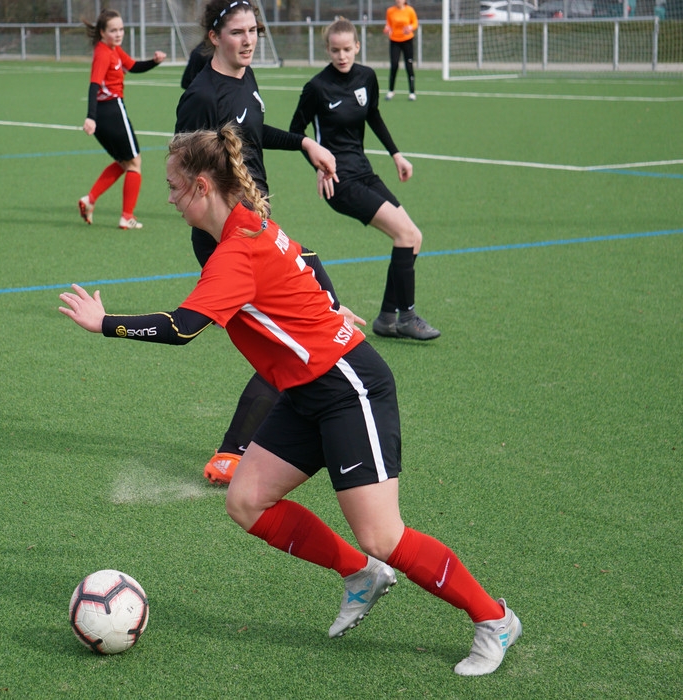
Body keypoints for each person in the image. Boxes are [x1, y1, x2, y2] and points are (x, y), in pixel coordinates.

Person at [58, 125, 522, 677]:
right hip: (305, 392)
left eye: (174, 187)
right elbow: (307, 255)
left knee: (382, 535)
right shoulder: (244, 223)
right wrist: (327, 303)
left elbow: (182, 328)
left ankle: (494, 619)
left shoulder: (235, 251)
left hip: (348, 387)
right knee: (246, 502)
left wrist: (105, 323)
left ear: (202, 186)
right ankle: (361, 574)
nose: (170, 198)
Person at [176, 0, 338, 485]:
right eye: (237, 32)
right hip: (231, 237)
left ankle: (248, 444)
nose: (248, 41)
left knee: (298, 329)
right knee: (287, 337)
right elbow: (186, 167)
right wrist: (226, 229)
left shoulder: (245, 77)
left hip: (256, 223)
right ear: (214, 37)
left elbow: (250, 132)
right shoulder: (201, 95)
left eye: (253, 31)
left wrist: (305, 143)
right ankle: (234, 452)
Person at [290, 17, 439, 340]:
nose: (341, 56)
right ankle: (407, 316)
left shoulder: (367, 77)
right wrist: (319, 166)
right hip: (339, 181)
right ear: (327, 50)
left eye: (347, 49)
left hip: (364, 172)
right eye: (335, 50)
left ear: (357, 46)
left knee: (413, 237)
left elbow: (373, 116)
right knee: (405, 235)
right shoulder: (316, 88)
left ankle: (386, 317)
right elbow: (296, 132)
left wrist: (396, 155)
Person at [79, 9, 166, 230]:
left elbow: (133, 66)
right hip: (111, 111)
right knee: (135, 162)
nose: (118, 34)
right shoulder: (103, 53)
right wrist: (90, 117)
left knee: (124, 162)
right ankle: (127, 216)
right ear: (102, 32)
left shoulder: (114, 49)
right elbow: (93, 85)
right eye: (113, 30)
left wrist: (154, 61)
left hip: (106, 113)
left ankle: (89, 200)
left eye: (121, 29)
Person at [383, 0, 418, 101]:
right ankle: (391, 91)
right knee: (394, 65)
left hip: (407, 40)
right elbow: (388, 24)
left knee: (409, 65)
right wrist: (387, 28)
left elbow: (415, 23)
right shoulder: (390, 11)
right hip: (394, 41)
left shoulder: (410, 10)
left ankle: (412, 92)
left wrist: (410, 27)